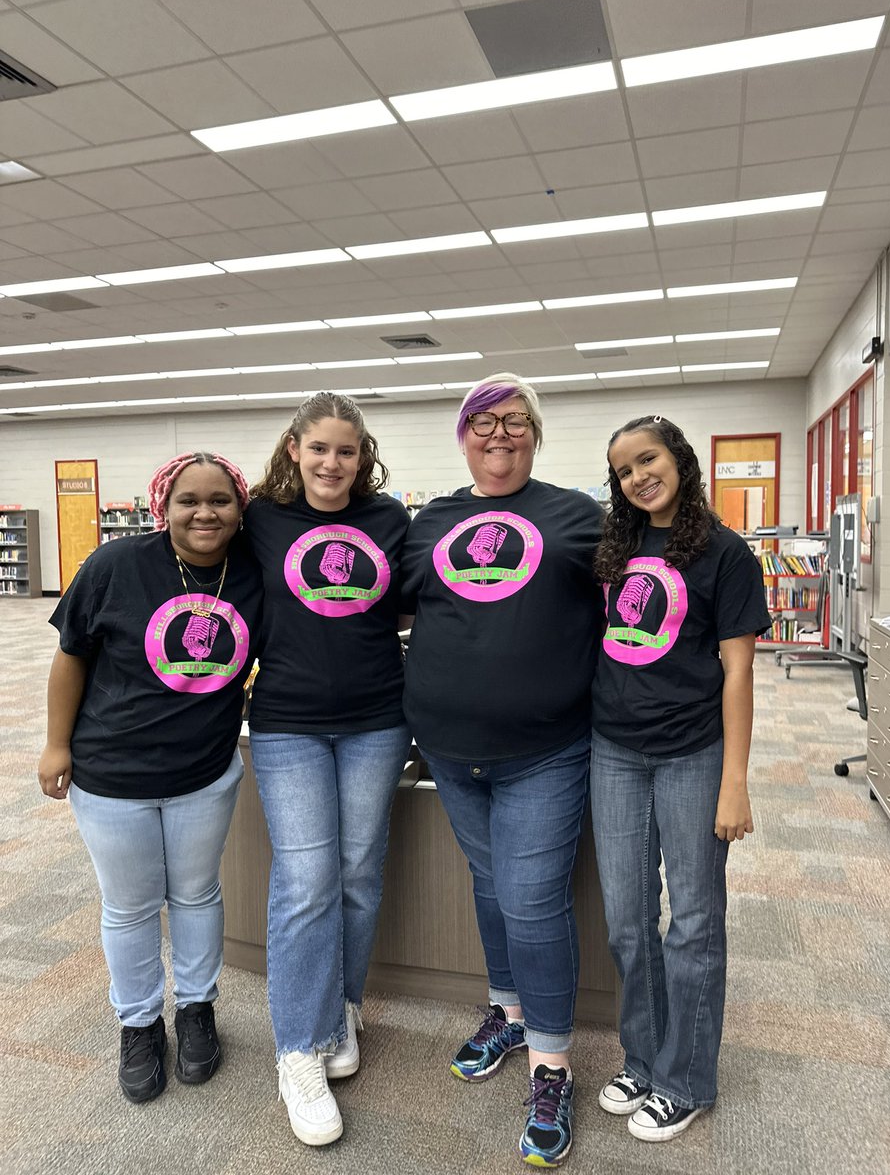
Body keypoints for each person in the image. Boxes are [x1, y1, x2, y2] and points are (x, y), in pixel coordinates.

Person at [400, 373, 603, 1169]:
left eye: (515, 423)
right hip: (449, 747)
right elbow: (390, 603)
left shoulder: (575, 516)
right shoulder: (434, 521)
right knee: (491, 885)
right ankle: (509, 1011)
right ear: (462, 437)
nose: (498, 436)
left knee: (529, 897)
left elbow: (642, 588)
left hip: (546, 747)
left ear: (535, 435)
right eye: (482, 424)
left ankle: (551, 1063)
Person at [38, 451, 262, 1105]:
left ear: (239, 508)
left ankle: (196, 1010)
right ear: (162, 504)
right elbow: (71, 656)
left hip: (203, 771)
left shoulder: (250, 570)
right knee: (132, 905)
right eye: (188, 499)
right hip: (111, 774)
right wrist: (56, 745)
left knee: (196, 895)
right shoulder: (115, 566)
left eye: (219, 499)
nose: (204, 512)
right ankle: (138, 1022)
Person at [590, 415, 770, 1142]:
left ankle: (685, 1077)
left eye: (649, 459)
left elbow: (739, 673)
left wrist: (736, 779)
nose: (639, 476)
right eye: (624, 469)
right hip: (614, 750)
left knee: (692, 924)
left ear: (680, 460)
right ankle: (642, 1057)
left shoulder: (725, 554)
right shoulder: (617, 548)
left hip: (693, 751)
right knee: (629, 921)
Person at [243, 392, 411, 1148]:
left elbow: (417, 606)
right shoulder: (259, 520)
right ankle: (296, 1053)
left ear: (362, 455)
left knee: (356, 870)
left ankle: (342, 1005)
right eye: (319, 450)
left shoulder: (388, 521)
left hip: (378, 717)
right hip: (287, 723)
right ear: (293, 450)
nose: (331, 464)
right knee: (306, 878)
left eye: (346, 451)